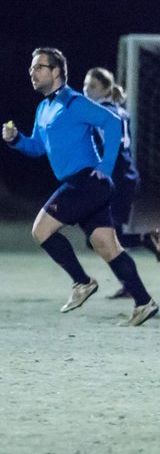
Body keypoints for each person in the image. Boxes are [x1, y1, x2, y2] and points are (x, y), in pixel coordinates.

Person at [2, 47, 158, 326]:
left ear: (56, 72)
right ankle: (144, 302)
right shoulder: (43, 108)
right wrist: (15, 140)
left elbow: (111, 122)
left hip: (87, 182)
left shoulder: (73, 101)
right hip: (83, 184)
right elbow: (37, 147)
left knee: (41, 230)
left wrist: (106, 167)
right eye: (31, 68)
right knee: (107, 246)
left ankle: (82, 282)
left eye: (39, 67)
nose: (32, 72)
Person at [81, 67, 160, 299]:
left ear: (105, 89)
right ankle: (133, 272)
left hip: (117, 181)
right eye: (86, 85)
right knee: (101, 237)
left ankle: (146, 241)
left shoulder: (101, 115)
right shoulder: (118, 111)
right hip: (122, 179)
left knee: (99, 237)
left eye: (92, 86)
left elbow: (106, 152)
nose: (86, 90)